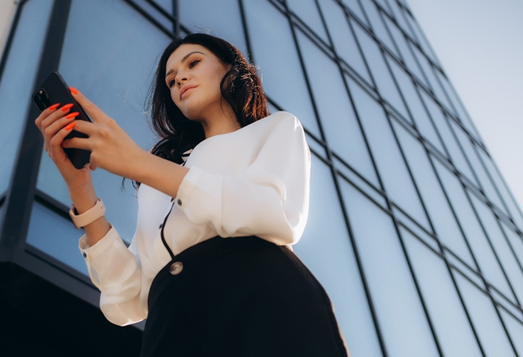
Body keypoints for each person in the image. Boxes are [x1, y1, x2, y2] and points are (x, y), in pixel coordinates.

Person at [35, 33, 349, 356]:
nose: (179, 79)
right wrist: (80, 188)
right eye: (170, 81)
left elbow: (274, 213)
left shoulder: (276, 129)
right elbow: (128, 298)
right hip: (173, 330)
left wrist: (141, 164)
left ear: (230, 68)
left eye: (193, 63)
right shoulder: (155, 183)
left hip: (262, 307)